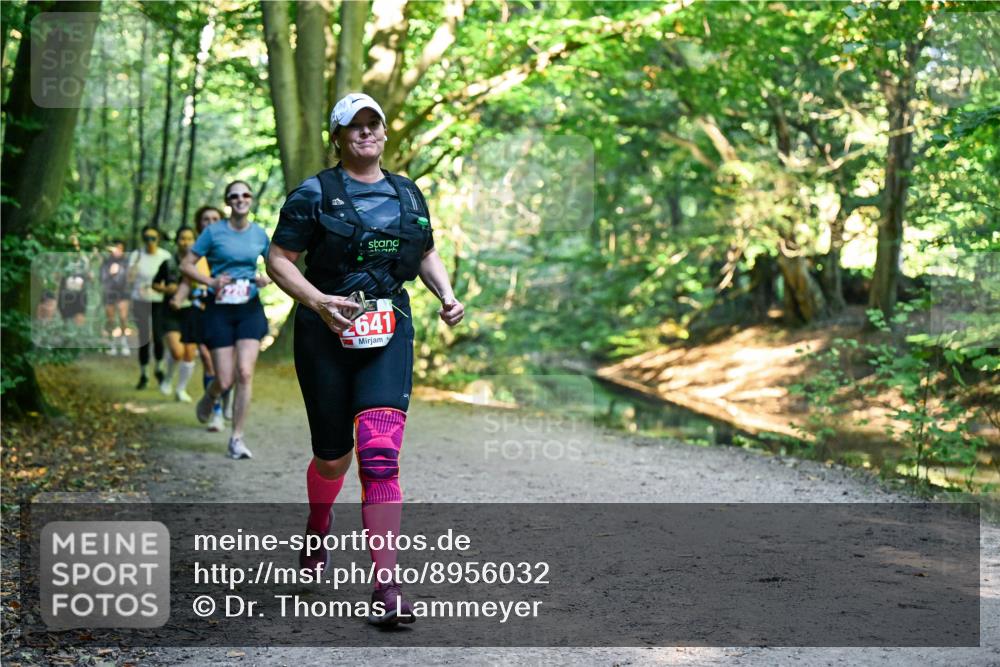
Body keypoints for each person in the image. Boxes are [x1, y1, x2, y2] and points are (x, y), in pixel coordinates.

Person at [266, 92, 464, 626]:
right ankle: (317, 526)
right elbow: (277, 259)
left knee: (379, 456)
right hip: (323, 334)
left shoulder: (407, 193)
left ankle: (386, 584)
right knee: (334, 458)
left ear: (383, 132)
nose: (366, 133)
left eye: (373, 124)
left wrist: (446, 293)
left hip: (388, 329)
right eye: (355, 127)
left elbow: (424, 251)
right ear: (339, 137)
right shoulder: (313, 194)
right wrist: (317, 300)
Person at [181, 181, 271, 459]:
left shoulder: (259, 234)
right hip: (219, 308)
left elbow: (276, 266)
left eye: (245, 194)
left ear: (251, 200)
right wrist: (210, 281)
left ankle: (236, 438)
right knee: (225, 378)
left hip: (249, 307)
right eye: (234, 196)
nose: (240, 199)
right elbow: (186, 264)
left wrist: (265, 277)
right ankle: (211, 396)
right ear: (228, 202)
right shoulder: (213, 232)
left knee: (244, 372)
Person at [172, 206, 227, 430]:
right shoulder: (195, 252)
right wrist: (178, 297)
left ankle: (223, 398)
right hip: (200, 310)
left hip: (226, 310)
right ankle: (216, 411)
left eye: (215, 218)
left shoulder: (229, 247)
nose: (210, 222)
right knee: (206, 358)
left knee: (227, 366)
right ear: (199, 224)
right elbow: (186, 279)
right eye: (205, 219)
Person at [153, 227, 199, 402]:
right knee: (177, 351)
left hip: (192, 311)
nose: (185, 242)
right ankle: (168, 378)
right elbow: (155, 284)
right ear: (177, 241)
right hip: (171, 311)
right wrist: (166, 289)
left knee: (189, 353)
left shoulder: (200, 263)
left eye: (189, 238)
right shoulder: (168, 263)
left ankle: (181, 389)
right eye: (182, 238)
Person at [128, 225, 171, 389]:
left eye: (153, 238)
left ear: (158, 239)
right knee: (144, 337)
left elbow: (170, 279)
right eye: (147, 238)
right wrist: (135, 265)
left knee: (159, 335)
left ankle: (159, 368)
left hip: (159, 301)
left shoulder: (165, 256)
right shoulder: (136, 255)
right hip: (140, 300)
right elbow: (129, 279)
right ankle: (144, 373)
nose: (150, 242)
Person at [100, 239, 131, 356]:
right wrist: (110, 274)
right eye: (115, 248)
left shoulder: (126, 262)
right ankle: (112, 343)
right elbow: (102, 278)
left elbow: (130, 278)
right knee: (111, 319)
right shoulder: (106, 262)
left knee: (123, 318)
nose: (117, 251)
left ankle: (124, 343)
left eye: (120, 248)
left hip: (123, 293)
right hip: (109, 293)